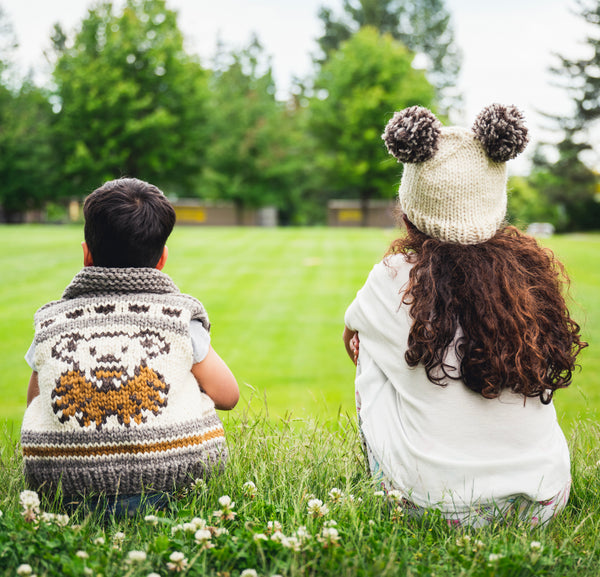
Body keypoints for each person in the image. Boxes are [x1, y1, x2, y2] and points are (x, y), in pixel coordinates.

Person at [343, 104, 587, 527]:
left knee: (365, 343)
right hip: (545, 501)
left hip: (435, 506)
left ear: (411, 203)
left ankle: (414, 464)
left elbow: (350, 340)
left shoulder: (394, 276)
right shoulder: (529, 277)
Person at [21, 178, 239, 516]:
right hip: (172, 487)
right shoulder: (178, 318)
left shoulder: (51, 323)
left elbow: (37, 402)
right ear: (162, 258)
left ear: (86, 254)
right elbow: (228, 396)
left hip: (64, 492)